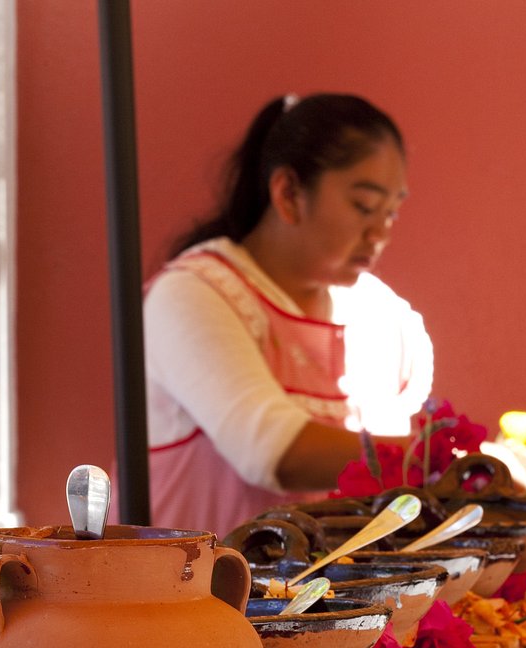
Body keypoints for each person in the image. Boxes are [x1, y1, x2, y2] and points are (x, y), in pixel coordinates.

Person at [144, 93, 434, 537]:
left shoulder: (383, 318)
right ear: (289, 193)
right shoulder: (194, 294)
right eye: (363, 206)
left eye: (391, 212)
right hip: (188, 594)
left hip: (332, 600)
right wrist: (434, 460)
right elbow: (271, 451)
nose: (380, 233)